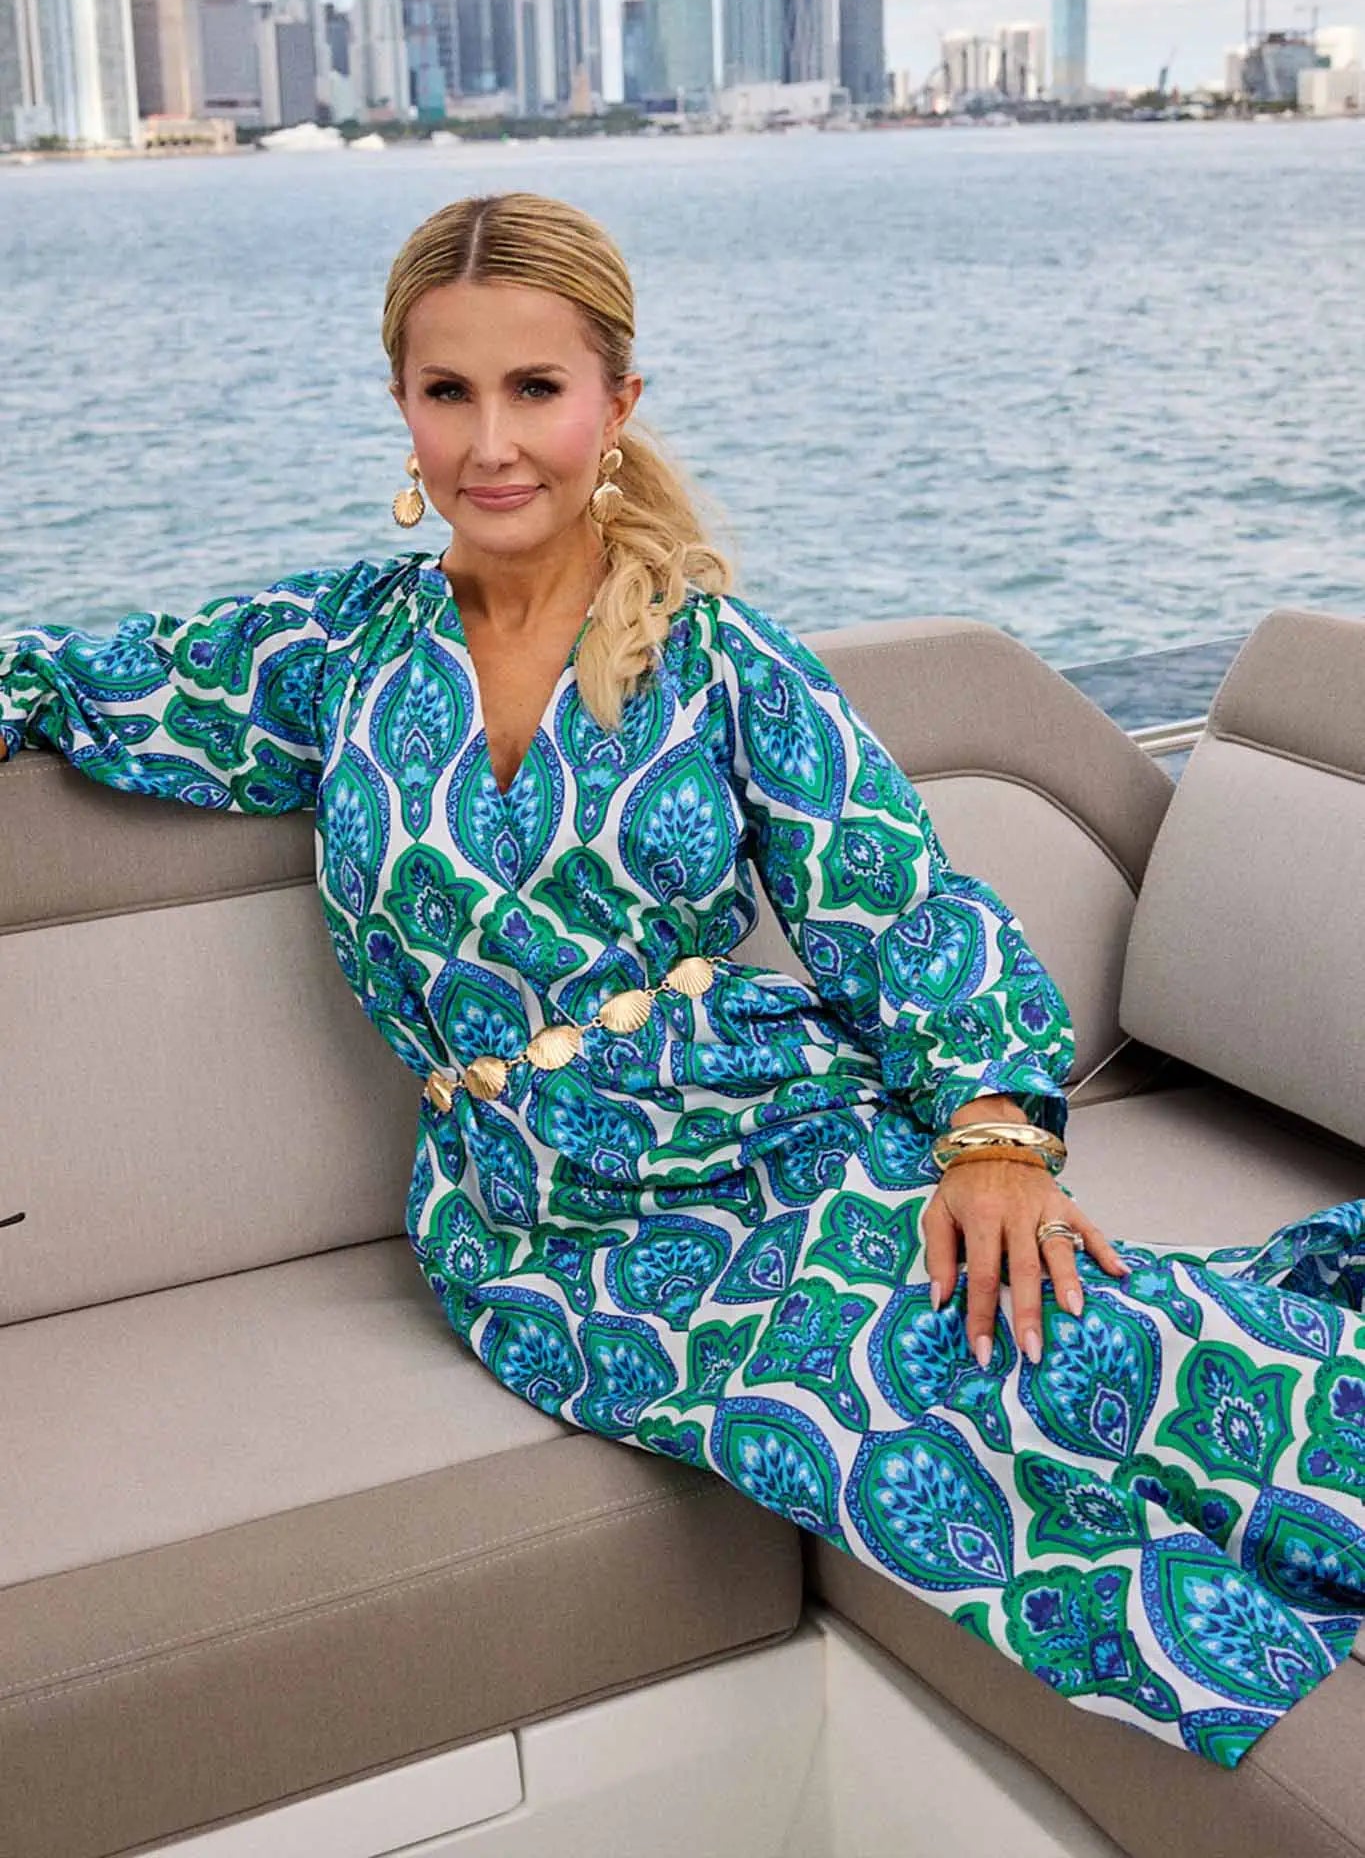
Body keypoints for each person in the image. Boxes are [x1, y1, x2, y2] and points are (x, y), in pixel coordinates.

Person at [2, 191, 1361, 1772]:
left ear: (615, 404)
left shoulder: (720, 656)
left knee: (1030, 1332)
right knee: (901, 1384)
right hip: (533, 1226)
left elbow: (894, 897)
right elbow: (63, 678)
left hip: (770, 1131)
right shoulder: (332, 650)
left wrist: (992, 1137)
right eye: (450, 393)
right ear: (400, 408)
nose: (492, 443)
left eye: (536, 390)